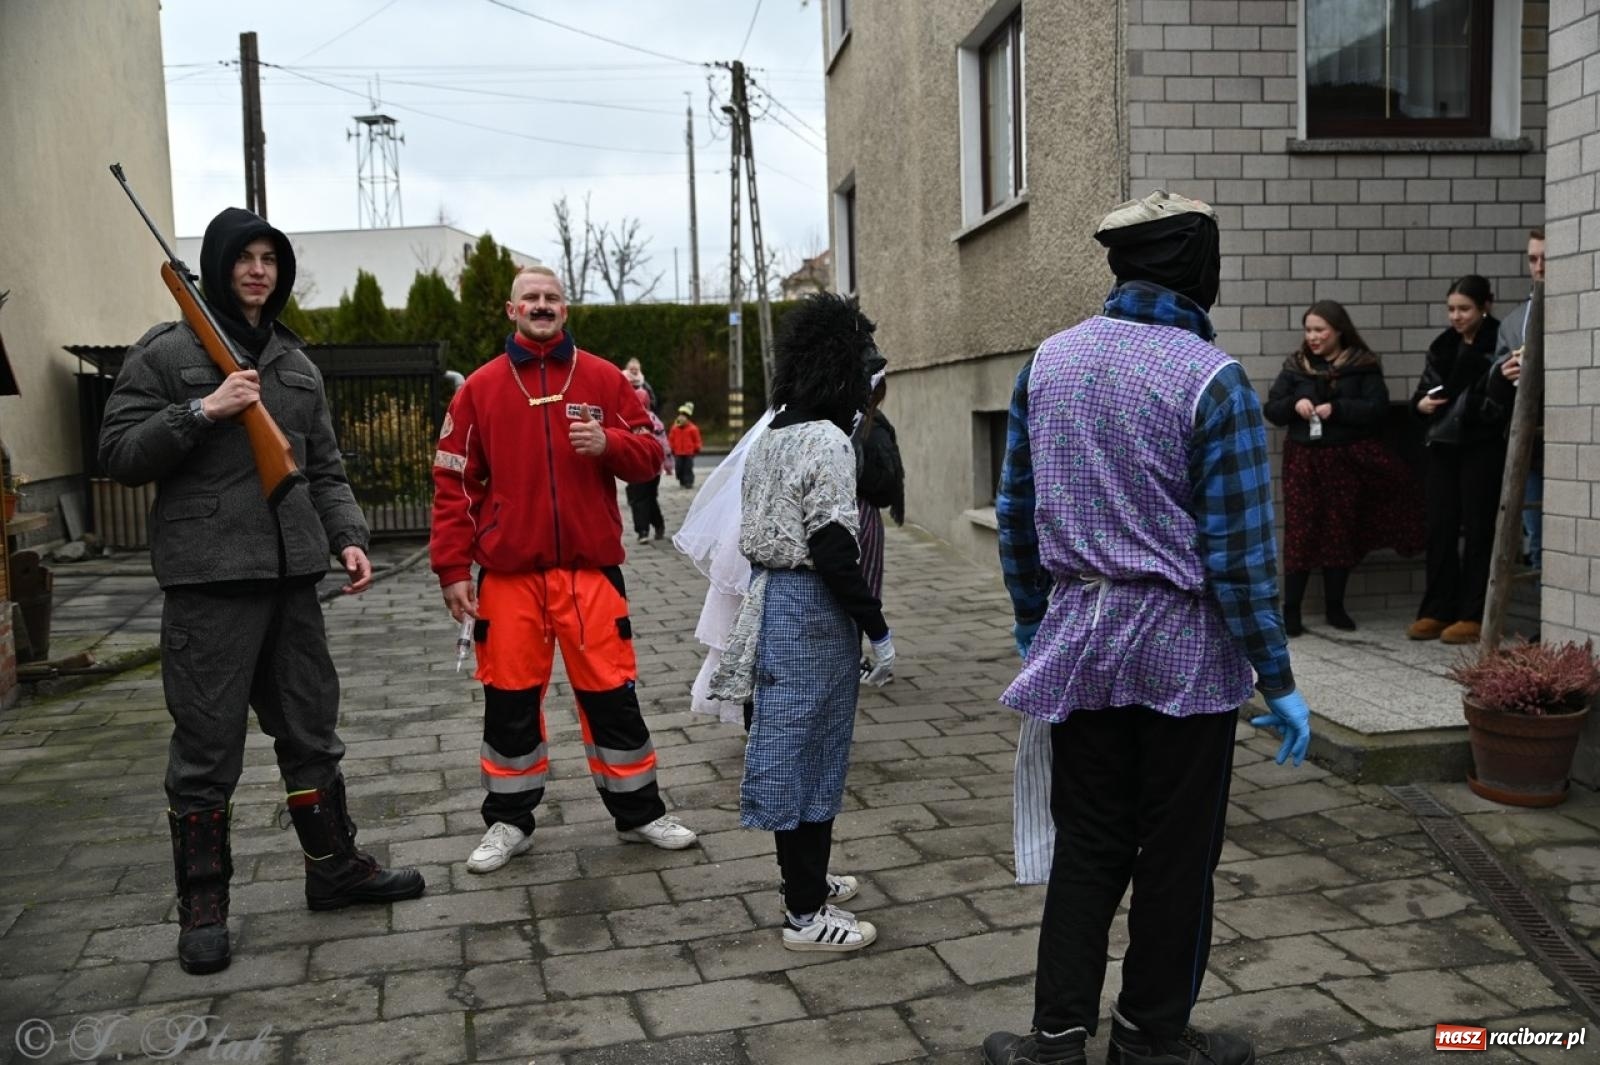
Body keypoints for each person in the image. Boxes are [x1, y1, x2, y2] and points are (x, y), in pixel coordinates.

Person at [986, 190, 1312, 1065]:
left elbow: (1016, 512)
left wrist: (1034, 624)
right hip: (1186, 658)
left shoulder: (1046, 364)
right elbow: (1242, 553)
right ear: (1197, 267)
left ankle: (1054, 1039)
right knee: (1175, 856)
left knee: (1088, 844)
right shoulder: (1214, 379)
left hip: (1082, 641)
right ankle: (1150, 1038)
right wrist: (1275, 681)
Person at [99, 206, 425, 976]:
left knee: (312, 730)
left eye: (269, 258)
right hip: (209, 585)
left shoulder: (295, 364)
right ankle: (204, 905)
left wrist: (347, 535)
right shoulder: (166, 351)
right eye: (243, 257)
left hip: (293, 580)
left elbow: (326, 469)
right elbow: (117, 452)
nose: (258, 270)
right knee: (207, 751)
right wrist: (201, 409)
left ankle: (334, 868)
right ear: (217, 266)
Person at [430, 265, 698, 874]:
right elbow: (454, 485)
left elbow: (652, 456)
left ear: (566, 308)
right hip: (509, 579)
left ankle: (639, 814)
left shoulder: (604, 378)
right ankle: (507, 822)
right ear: (511, 309)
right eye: (532, 297)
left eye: (552, 297)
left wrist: (610, 444)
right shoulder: (479, 388)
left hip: (590, 574)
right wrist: (451, 568)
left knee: (613, 699)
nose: (542, 305)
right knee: (509, 704)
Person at [708, 292, 895, 954]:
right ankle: (805, 913)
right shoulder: (827, 439)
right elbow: (835, 548)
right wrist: (876, 626)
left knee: (796, 748)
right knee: (813, 755)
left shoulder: (774, 431)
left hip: (773, 602)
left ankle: (808, 879)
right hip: (812, 612)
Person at [1264, 301, 1423, 635]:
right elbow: (1272, 409)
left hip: (1345, 459)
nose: (1313, 337)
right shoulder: (1296, 367)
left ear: (1339, 330)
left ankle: (1335, 607)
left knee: (1340, 529)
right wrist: (1295, 404)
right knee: (1301, 532)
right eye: (1308, 330)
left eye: (1320, 330)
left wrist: (1337, 409)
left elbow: (1377, 409)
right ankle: (1290, 611)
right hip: (1303, 459)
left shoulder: (1363, 366)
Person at [1409, 275, 1504, 645]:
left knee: (1479, 528)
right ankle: (1437, 608)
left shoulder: (1499, 341)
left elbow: (1497, 401)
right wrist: (1422, 404)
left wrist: (1466, 407)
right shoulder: (1443, 344)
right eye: (1451, 309)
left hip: (1481, 445)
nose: (1456, 316)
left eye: (1464, 309)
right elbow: (1423, 392)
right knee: (1440, 528)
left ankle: (1473, 612)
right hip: (1443, 444)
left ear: (1485, 306)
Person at [1487, 229, 1546, 569]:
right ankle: (1543, 621)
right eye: (1533, 259)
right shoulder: (1513, 322)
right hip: (1532, 447)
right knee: (1536, 539)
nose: (1539, 267)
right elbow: (1493, 387)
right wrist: (1502, 372)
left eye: (1546, 259)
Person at [854, 374, 905, 604]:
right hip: (864, 517)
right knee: (864, 594)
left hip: (843, 512)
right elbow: (886, 482)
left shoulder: (856, 424)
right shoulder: (873, 428)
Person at [623, 384, 669, 544]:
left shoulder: (630, 418)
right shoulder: (656, 420)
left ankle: (642, 530)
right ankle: (658, 524)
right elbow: (664, 444)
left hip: (636, 465)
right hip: (654, 468)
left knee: (638, 498)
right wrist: (668, 464)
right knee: (650, 497)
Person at [669, 402, 702, 487]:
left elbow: (697, 440)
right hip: (678, 452)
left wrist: (697, 448)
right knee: (678, 467)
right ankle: (681, 479)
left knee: (688, 468)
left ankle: (688, 482)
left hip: (689, 452)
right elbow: (671, 439)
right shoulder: (674, 428)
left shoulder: (693, 428)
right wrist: (671, 448)